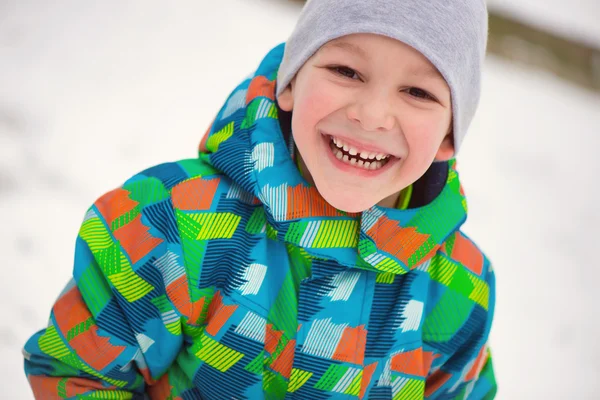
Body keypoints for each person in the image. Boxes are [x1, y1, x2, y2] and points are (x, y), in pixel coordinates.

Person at [23, 0, 497, 398]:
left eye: (417, 91)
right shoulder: (168, 222)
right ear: (290, 82)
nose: (372, 116)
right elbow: (76, 373)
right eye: (346, 70)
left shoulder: (457, 289)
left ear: (448, 138)